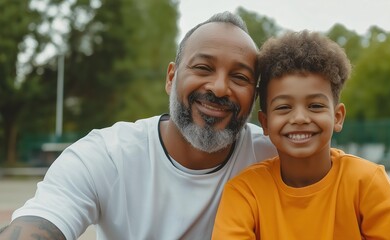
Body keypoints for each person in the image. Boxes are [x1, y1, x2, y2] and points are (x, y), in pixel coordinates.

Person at [0, 12, 277, 240]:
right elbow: (42, 221)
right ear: (171, 78)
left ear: (253, 95)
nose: (219, 88)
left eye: (240, 77)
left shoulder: (276, 156)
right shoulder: (107, 156)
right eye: (203, 68)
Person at [212, 30, 390, 239]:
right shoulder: (245, 191)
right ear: (265, 122)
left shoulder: (366, 182)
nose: (300, 118)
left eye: (315, 105)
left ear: (338, 117)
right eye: (284, 107)